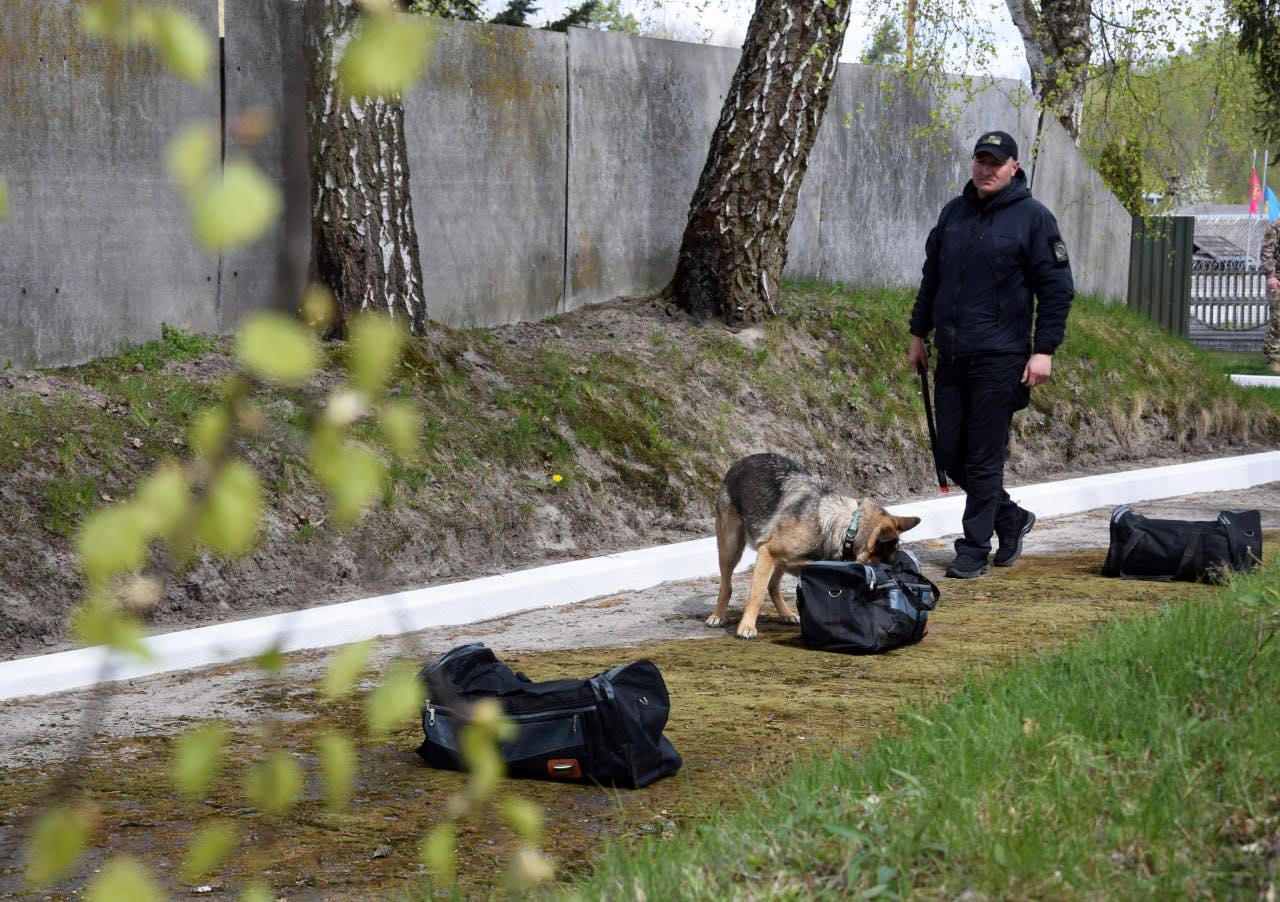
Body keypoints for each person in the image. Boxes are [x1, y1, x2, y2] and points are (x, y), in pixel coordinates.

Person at [907, 130, 1075, 579]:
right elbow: (932, 278)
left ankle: (973, 548)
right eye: (980, 161)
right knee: (950, 453)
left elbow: (1057, 289)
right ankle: (1010, 517)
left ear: (1013, 167)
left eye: (995, 163)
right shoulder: (953, 214)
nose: (986, 169)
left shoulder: (1034, 219)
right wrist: (918, 333)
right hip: (952, 355)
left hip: (1001, 358)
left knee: (983, 457)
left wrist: (1044, 350)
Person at [1262, 218, 1279, 373]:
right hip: (1278, 280)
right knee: (1278, 320)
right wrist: (1270, 276)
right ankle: (1274, 358)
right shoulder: (1276, 227)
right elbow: (1267, 252)